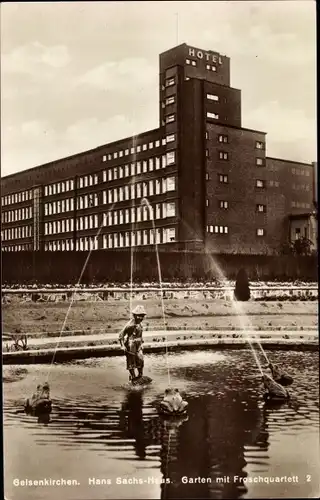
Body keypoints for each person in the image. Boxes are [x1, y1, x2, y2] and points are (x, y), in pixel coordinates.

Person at [119, 305, 146, 382]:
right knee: (131, 361)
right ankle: (133, 377)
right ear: (134, 315)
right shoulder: (130, 324)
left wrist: (141, 344)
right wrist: (122, 346)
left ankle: (140, 375)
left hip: (138, 344)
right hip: (131, 344)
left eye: (142, 316)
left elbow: (140, 335)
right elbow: (121, 335)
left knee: (140, 359)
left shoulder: (140, 324)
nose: (141, 318)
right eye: (139, 316)